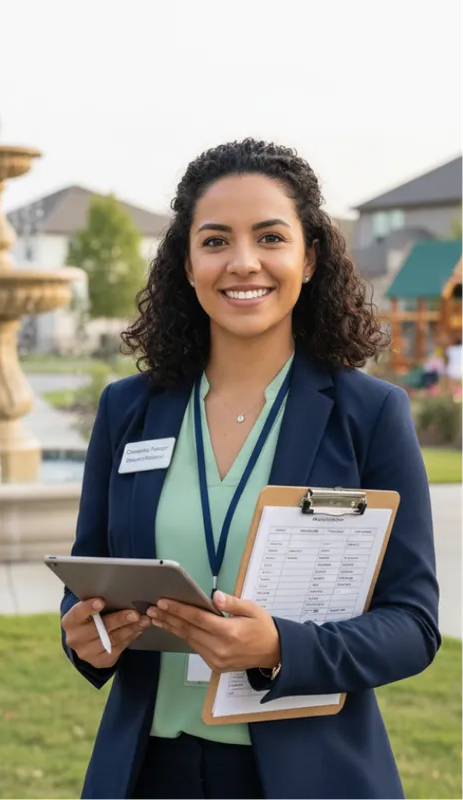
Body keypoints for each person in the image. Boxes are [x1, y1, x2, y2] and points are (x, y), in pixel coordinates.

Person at [60, 140, 440, 800]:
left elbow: (412, 624)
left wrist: (280, 649)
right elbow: (89, 575)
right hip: (148, 771)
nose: (243, 263)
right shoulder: (128, 409)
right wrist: (84, 633)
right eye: (215, 241)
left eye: (270, 237)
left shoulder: (371, 414)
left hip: (307, 775)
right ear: (186, 262)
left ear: (310, 256)